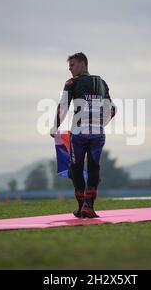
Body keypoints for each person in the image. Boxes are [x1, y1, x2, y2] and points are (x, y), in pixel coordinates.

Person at [50, 52, 116, 218]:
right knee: (94, 167)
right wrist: (101, 124)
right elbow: (112, 109)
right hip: (98, 134)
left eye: (72, 65)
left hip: (79, 133)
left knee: (76, 168)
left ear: (82, 64)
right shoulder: (101, 82)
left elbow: (63, 106)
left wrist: (55, 126)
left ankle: (81, 207)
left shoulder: (72, 82)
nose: (70, 69)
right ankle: (89, 206)